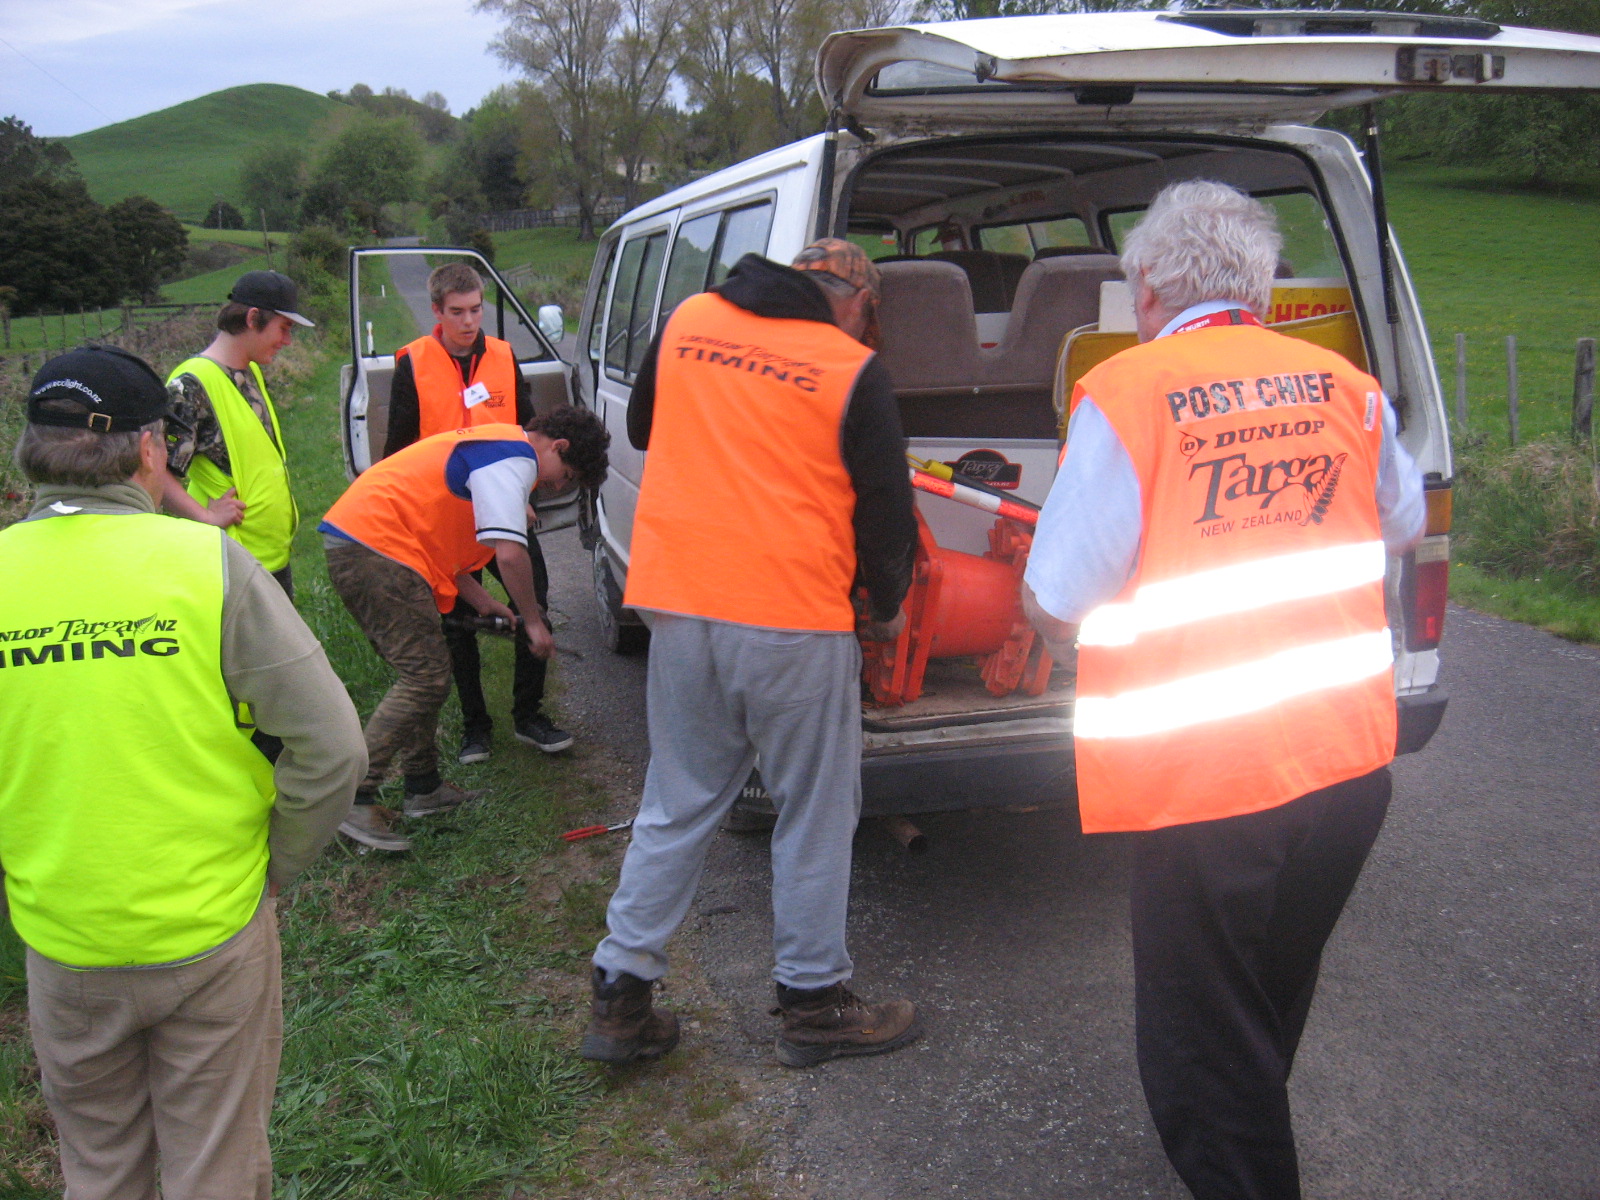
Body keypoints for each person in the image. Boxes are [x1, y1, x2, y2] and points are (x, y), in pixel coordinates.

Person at [1022, 180, 1425, 1199]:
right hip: (1344, 766)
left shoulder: (1126, 395)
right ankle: (1245, 1139)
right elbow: (1402, 522)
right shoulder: (1342, 384)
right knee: (1264, 993)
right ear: (1259, 285)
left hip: (1205, 778)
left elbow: (1058, 596)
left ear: (1151, 286)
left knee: (1200, 1042)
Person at [0, 345, 366, 1199]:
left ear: (28, 449)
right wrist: (280, 864)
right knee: (216, 1170)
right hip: (212, 927)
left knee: (99, 1167)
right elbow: (334, 746)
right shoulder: (208, 565)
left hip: (66, 938)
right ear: (152, 451)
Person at [582, 239, 920, 1069]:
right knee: (813, 810)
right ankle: (813, 1005)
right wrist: (885, 605)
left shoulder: (692, 318)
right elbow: (886, 513)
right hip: (794, 619)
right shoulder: (850, 369)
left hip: (682, 604)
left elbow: (643, 425)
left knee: (678, 798)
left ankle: (621, 995)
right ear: (858, 305)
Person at [321, 408, 610, 853]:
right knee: (426, 676)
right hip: (373, 546)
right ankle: (351, 799)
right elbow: (511, 555)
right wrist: (533, 621)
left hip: (376, 544)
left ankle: (422, 787)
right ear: (558, 446)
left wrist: (484, 602)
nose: (556, 487)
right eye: (565, 476)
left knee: (426, 672)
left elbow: (434, 532)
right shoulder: (513, 458)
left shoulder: (497, 448)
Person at [383, 261, 572, 763]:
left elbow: (527, 430)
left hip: (506, 505)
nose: (469, 322)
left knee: (535, 602)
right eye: (457, 312)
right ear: (437, 312)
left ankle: (529, 715)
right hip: (447, 517)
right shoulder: (414, 362)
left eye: (476, 310)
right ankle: (475, 727)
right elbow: (397, 450)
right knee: (459, 619)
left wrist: (526, 495)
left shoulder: (504, 357)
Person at [164, 269, 312, 597]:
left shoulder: (249, 370)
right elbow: (155, 470)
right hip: (232, 565)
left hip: (266, 557)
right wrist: (204, 516)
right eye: (284, 328)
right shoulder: (190, 384)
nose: (287, 341)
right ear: (252, 318)